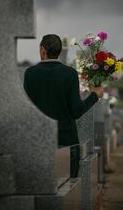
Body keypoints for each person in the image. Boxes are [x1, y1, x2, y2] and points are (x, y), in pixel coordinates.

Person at [23, 34, 104, 177]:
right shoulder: (69, 74)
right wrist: (94, 95)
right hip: (66, 142)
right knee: (68, 189)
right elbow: (76, 111)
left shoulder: (30, 74)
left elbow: (27, 110)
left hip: (38, 141)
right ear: (59, 51)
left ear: (42, 50)